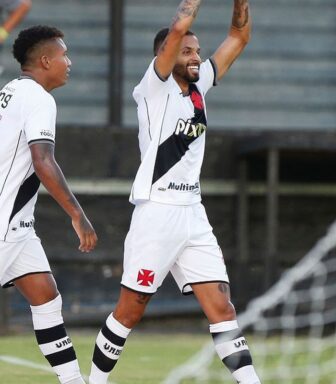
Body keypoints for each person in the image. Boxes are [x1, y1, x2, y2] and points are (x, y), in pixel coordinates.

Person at [89, 0, 260, 383]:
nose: (196, 56)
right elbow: (179, 27)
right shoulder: (154, 86)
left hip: (193, 214)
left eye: (198, 51)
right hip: (157, 212)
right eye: (187, 51)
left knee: (223, 308)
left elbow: (239, 35)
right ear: (164, 55)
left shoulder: (199, 86)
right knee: (130, 310)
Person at [0, 25, 97, 384]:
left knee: (45, 296)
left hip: (18, 227)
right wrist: (78, 215)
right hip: (4, 224)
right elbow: (43, 161)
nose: (68, 62)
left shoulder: (10, 91)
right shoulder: (40, 99)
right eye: (63, 55)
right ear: (44, 60)